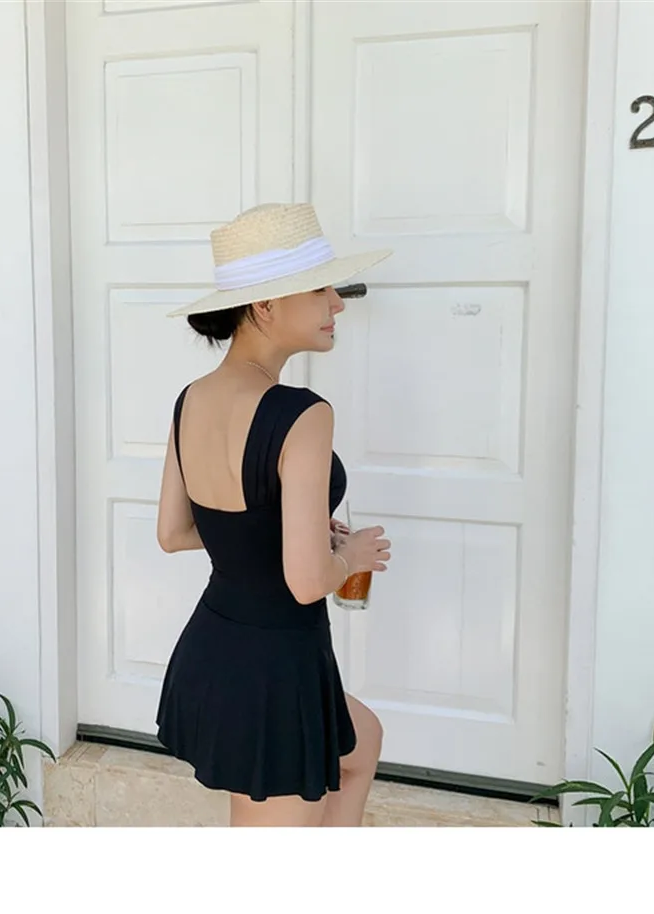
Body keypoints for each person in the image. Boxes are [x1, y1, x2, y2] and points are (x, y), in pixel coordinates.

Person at [155, 203, 393, 827]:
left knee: (362, 741)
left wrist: (287, 533)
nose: (337, 304)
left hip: (217, 648)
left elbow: (174, 533)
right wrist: (350, 554)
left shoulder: (191, 398)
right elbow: (307, 581)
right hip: (274, 668)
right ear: (264, 306)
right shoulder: (302, 413)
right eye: (320, 289)